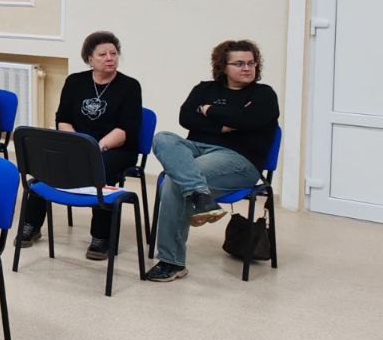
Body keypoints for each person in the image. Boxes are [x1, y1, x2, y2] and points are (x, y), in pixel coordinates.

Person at [147, 39, 279, 282]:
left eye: (251, 63)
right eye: (239, 63)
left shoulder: (264, 94)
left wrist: (209, 111)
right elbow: (186, 118)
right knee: (163, 138)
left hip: (238, 160)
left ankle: (171, 262)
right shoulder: (204, 89)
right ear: (223, 66)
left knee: (174, 182)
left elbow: (249, 121)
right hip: (196, 149)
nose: (247, 68)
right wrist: (225, 126)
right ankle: (200, 195)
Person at [15, 31, 143, 261]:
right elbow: (63, 119)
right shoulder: (75, 81)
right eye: (102, 54)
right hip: (76, 145)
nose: (109, 58)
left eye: (113, 53)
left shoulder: (130, 86)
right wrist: (76, 146)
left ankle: (101, 237)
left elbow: (126, 129)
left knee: (101, 169)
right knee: (46, 163)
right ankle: (31, 225)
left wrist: (95, 148)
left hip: (115, 148)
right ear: (89, 59)